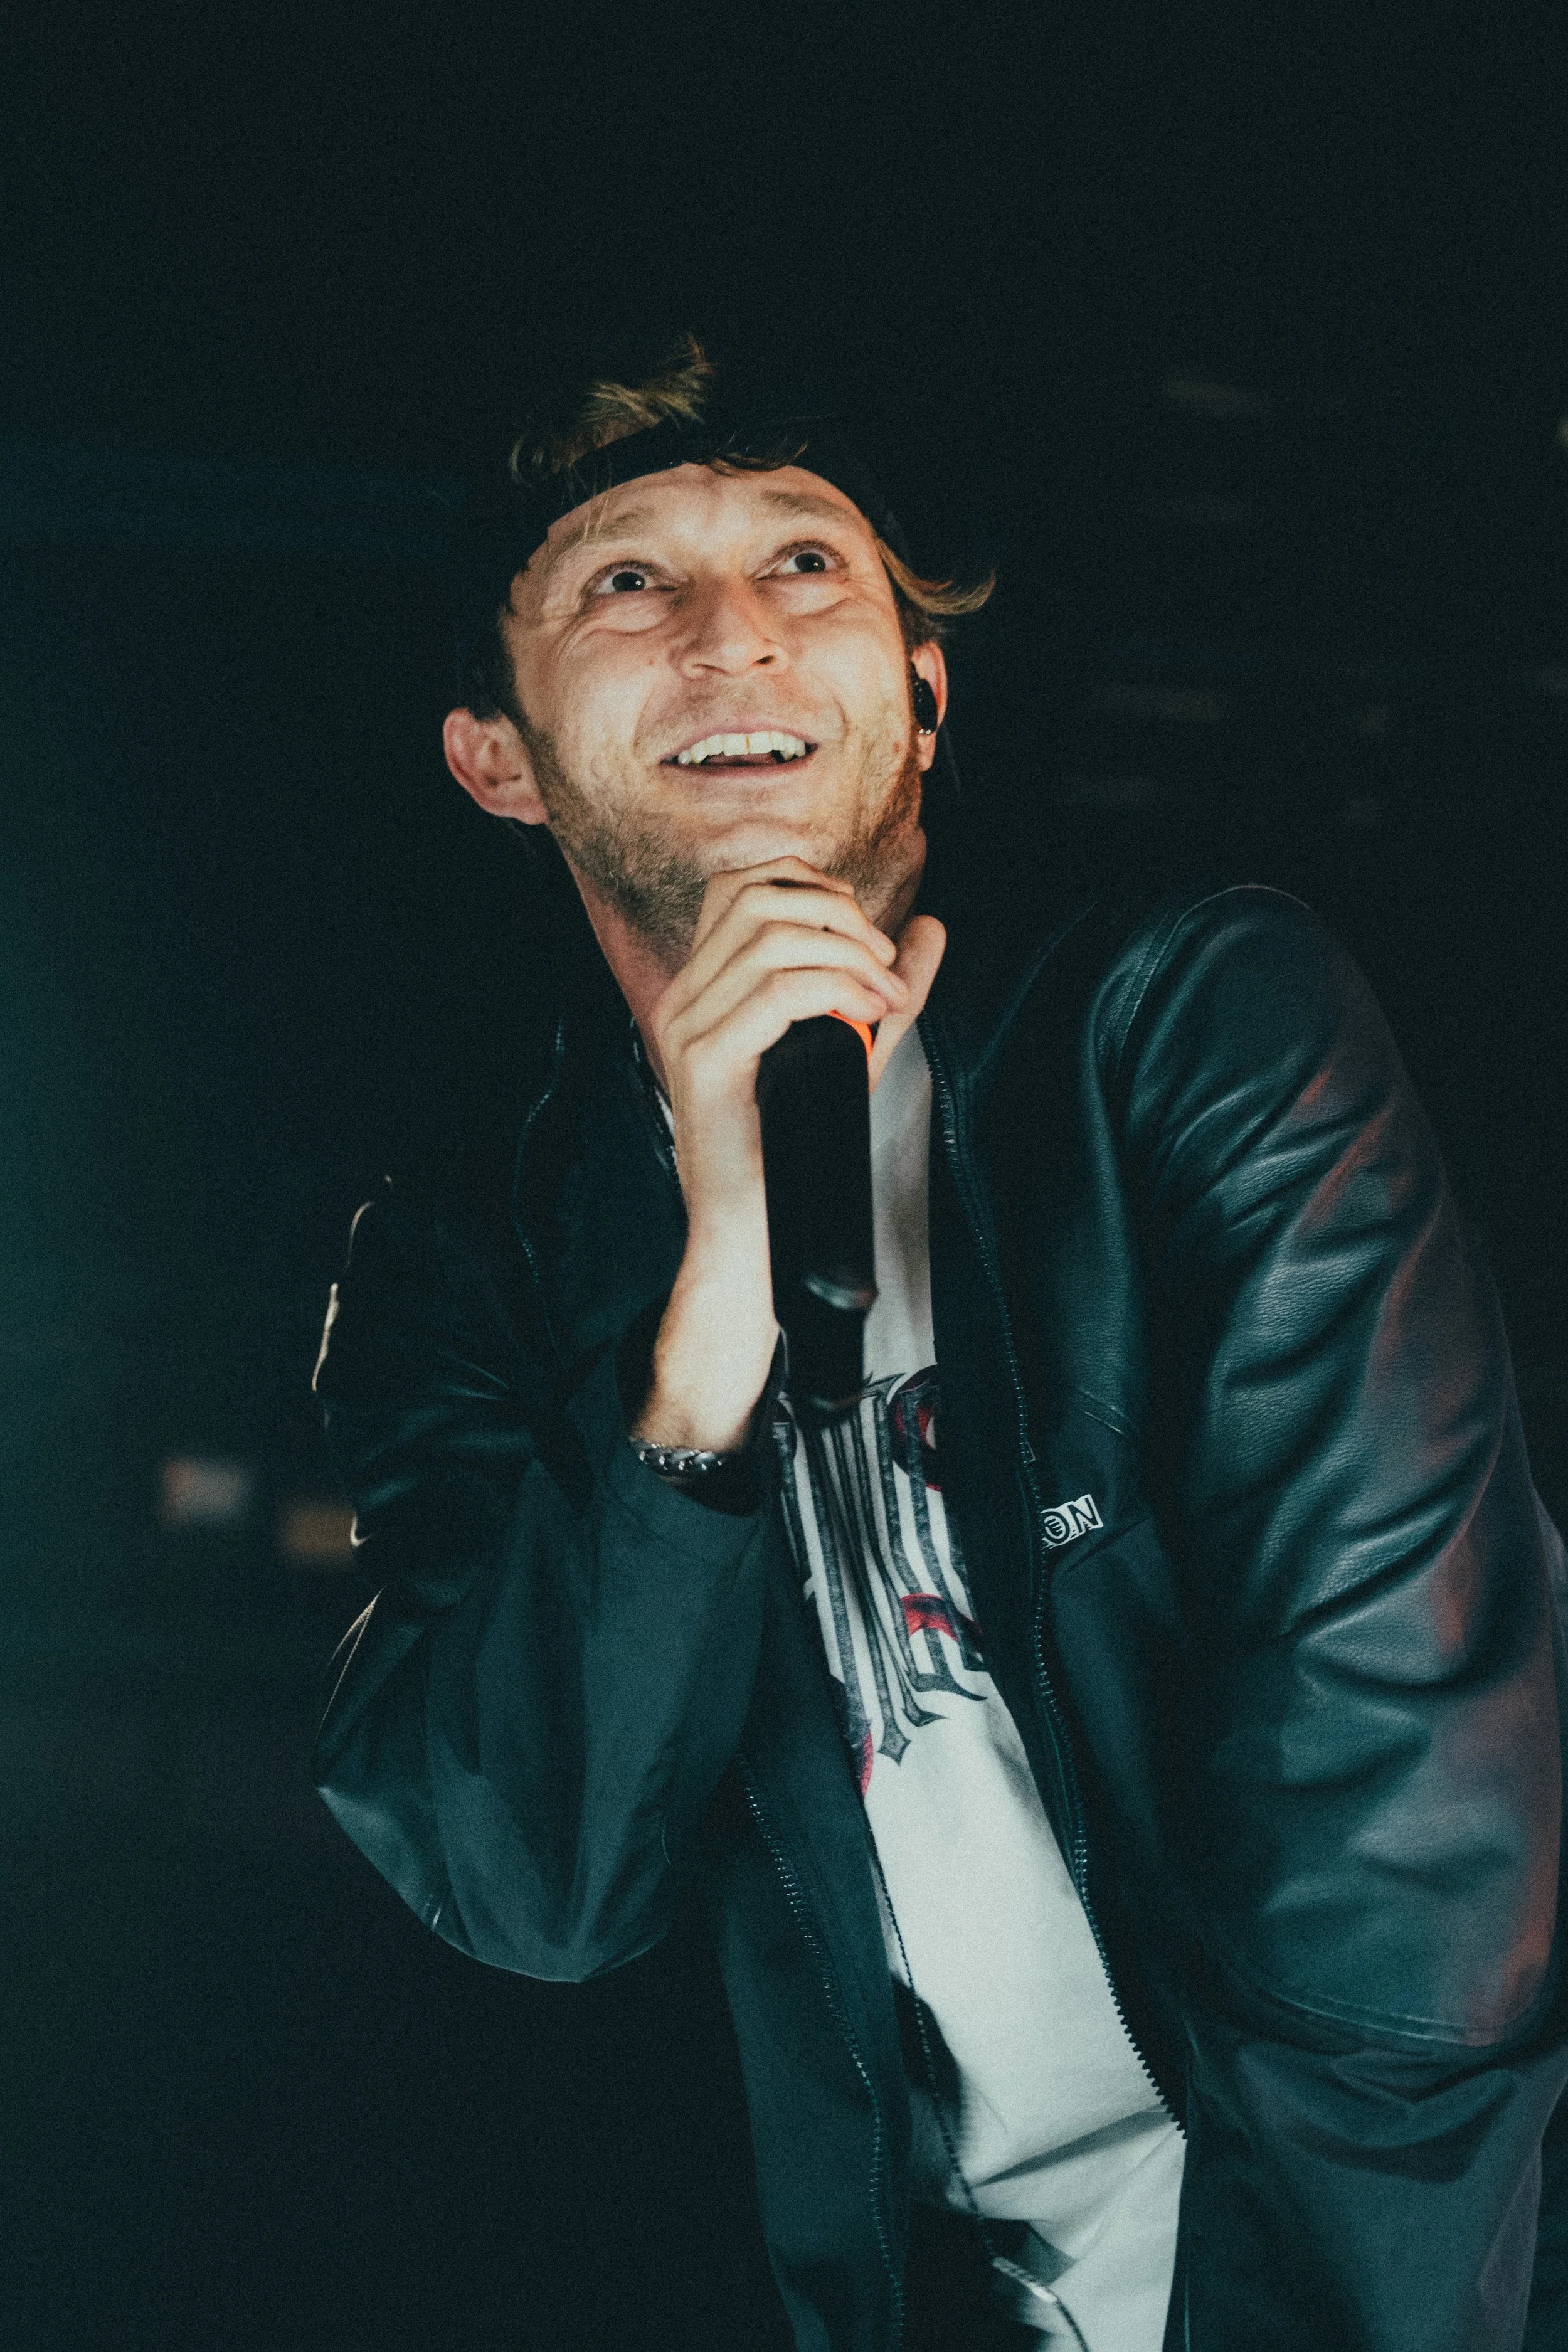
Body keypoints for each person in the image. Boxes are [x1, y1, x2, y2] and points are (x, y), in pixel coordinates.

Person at [311, 336, 1568, 2351]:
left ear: (919, 696)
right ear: (500, 754)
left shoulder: (1182, 1029)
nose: (730, 631)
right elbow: (526, 1871)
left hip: (1398, 2254)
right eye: (626, 582)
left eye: (807, 568)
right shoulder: (470, 1255)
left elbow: (1411, 1796)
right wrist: (709, 1305)